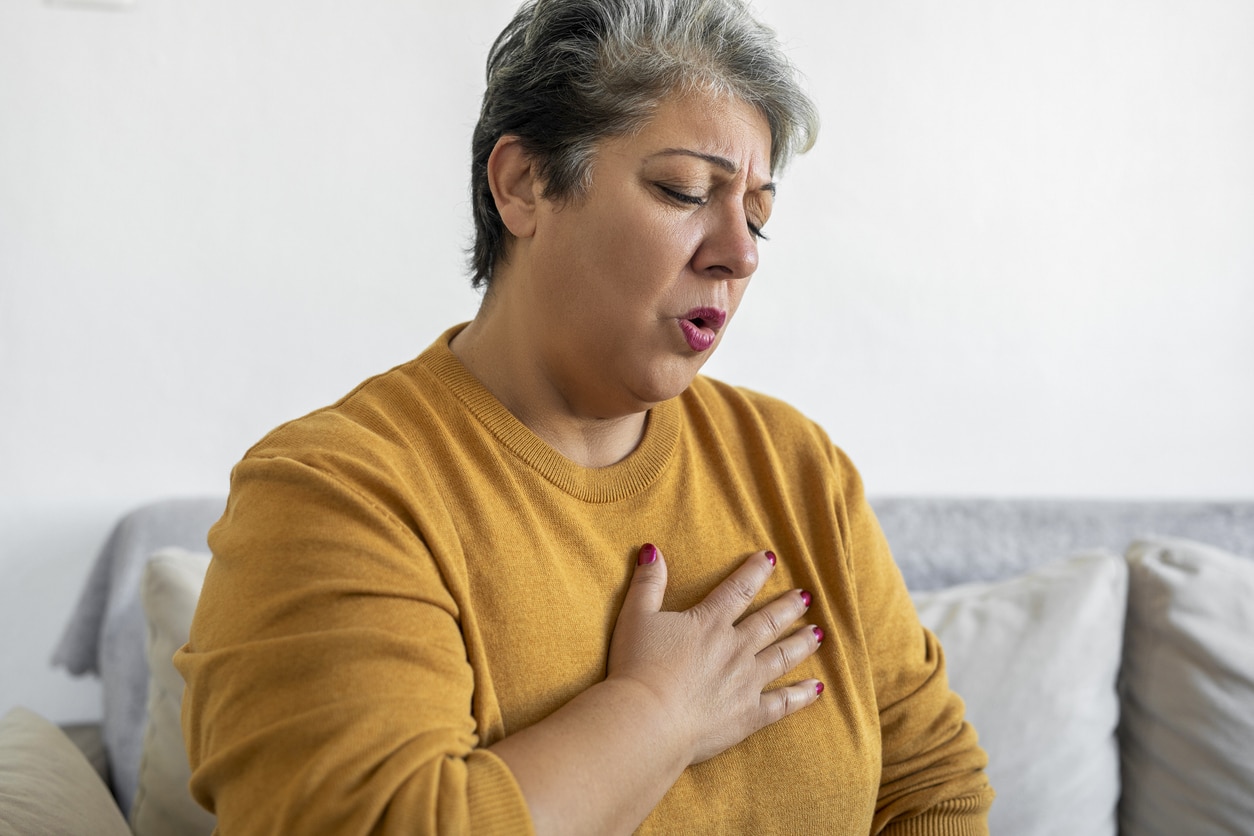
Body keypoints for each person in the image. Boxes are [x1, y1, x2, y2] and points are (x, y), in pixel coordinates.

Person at [175, 0, 994, 832]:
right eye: (685, 190)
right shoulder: (333, 493)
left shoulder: (795, 466)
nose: (739, 253)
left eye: (756, 215)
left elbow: (937, 786)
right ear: (524, 184)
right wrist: (656, 713)